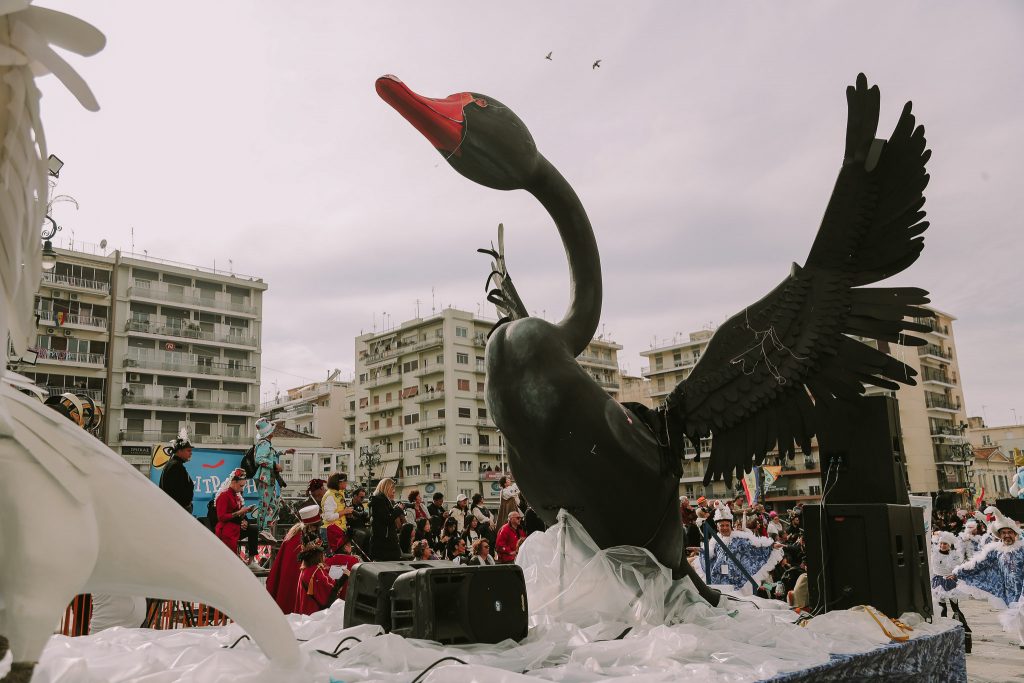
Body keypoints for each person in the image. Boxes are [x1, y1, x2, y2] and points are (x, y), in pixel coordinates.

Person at [952, 507, 1024, 646]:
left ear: (1015, 534)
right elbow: (977, 564)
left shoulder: (1022, 547)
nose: (1007, 535)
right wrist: (958, 572)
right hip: (1010, 590)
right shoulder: (995, 550)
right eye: (1004, 533)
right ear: (1000, 535)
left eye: (1010, 532)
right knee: (1019, 616)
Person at [695, 504, 784, 595]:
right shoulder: (715, 541)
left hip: (738, 579)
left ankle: (774, 588)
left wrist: (771, 546)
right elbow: (711, 556)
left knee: (761, 587)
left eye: (727, 525)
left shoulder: (739, 538)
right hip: (720, 579)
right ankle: (771, 587)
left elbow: (755, 546)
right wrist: (702, 551)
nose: (725, 528)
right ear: (718, 527)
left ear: (731, 526)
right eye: (722, 525)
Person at [265, 505, 322, 613]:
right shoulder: (301, 539)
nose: (317, 529)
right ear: (310, 526)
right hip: (297, 579)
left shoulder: (294, 535)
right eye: (315, 526)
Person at [252, 417, 295, 542]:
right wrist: (274, 465)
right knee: (266, 504)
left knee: (272, 504)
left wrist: (284, 452)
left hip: (267, 478)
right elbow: (259, 459)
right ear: (268, 432)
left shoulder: (265, 443)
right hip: (265, 478)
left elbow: (271, 454)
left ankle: (265, 528)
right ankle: (263, 529)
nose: (273, 432)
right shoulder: (264, 443)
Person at [295, 529, 346, 616]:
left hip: (306, 615)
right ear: (318, 555)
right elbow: (330, 592)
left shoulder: (305, 570)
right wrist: (344, 577)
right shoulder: (317, 571)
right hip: (316, 617)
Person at [214, 468, 258, 566]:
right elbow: (221, 517)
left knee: (253, 528)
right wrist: (240, 513)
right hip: (226, 530)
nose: (242, 489)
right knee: (230, 561)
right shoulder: (224, 496)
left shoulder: (236, 496)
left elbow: (237, 514)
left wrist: (243, 518)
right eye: (241, 486)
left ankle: (251, 561)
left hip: (235, 527)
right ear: (233, 482)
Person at [931, 531, 967, 622]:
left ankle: (963, 627)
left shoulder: (954, 556)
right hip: (938, 582)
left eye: (945, 544)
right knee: (941, 606)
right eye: (941, 543)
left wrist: (954, 575)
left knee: (955, 607)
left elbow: (959, 568)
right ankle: (943, 625)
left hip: (950, 581)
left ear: (949, 545)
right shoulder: (933, 553)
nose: (943, 545)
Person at [368, 478, 403, 561]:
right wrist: (398, 510)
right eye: (392, 489)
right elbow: (386, 519)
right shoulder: (379, 500)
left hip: (385, 540)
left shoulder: (381, 500)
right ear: (386, 488)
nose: (394, 491)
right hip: (384, 541)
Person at [158, 435, 194, 513]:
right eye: (188, 450)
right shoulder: (175, 466)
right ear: (179, 451)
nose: (191, 453)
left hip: (176, 509)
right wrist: (186, 505)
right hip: (177, 510)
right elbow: (175, 492)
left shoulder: (174, 464)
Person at [321, 472, 352, 553]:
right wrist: (344, 511)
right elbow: (328, 517)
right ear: (339, 482)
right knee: (332, 558)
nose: (346, 483)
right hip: (330, 532)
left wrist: (346, 513)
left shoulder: (338, 493)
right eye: (345, 481)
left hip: (338, 529)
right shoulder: (330, 496)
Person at [346, 487, 370, 555]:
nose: (362, 499)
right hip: (352, 528)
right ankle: (358, 554)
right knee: (363, 534)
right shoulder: (349, 506)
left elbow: (364, 518)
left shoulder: (361, 505)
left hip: (361, 527)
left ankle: (368, 554)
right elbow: (350, 520)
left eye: (363, 497)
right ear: (355, 496)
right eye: (361, 497)